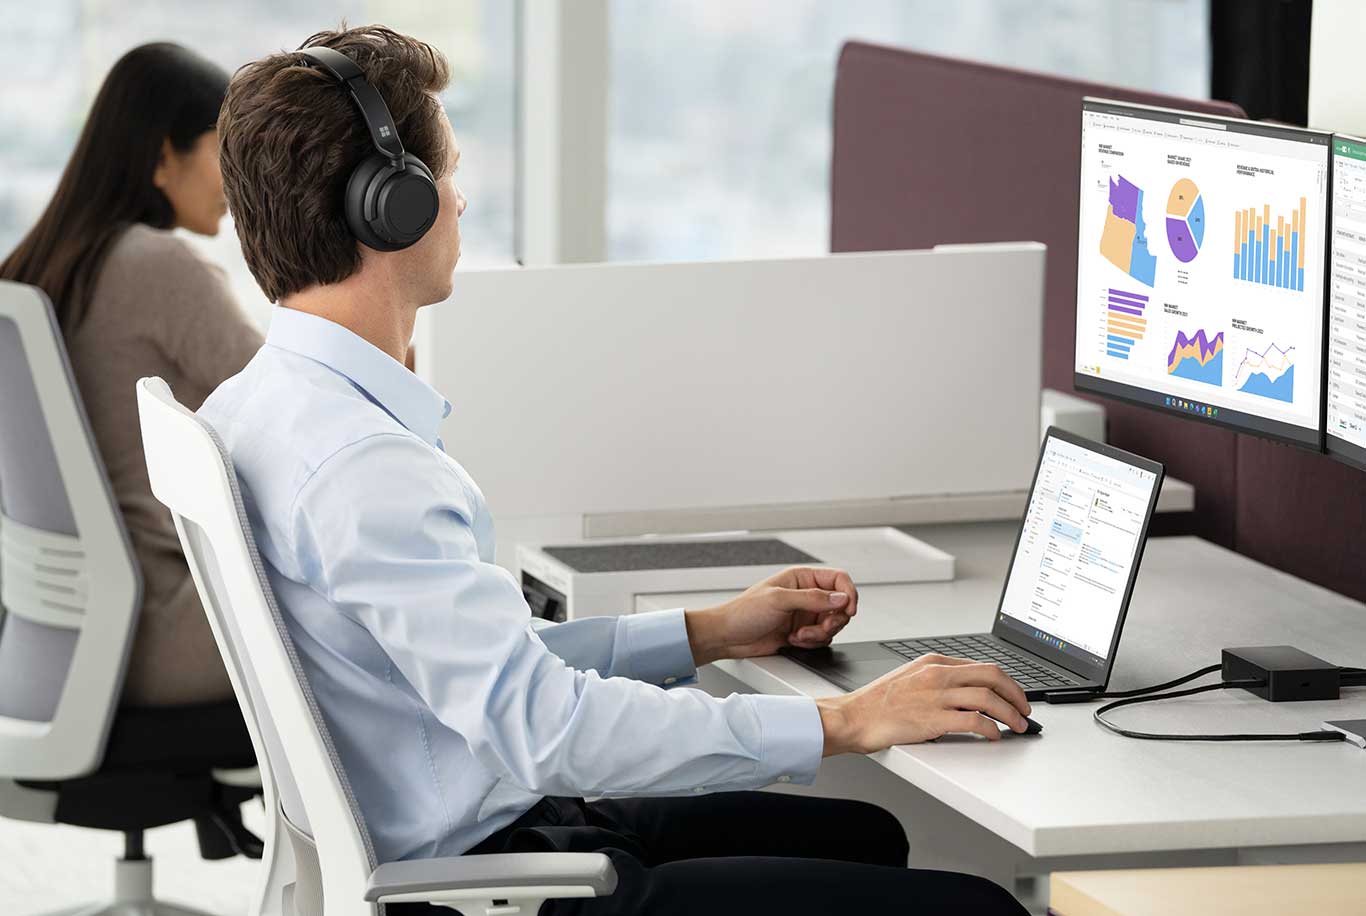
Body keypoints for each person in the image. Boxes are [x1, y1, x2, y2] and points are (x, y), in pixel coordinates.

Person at [204, 25, 1031, 914]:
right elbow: (545, 726)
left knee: (869, 837)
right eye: (445, 176)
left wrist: (706, 632)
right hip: (489, 880)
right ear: (391, 205)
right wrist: (846, 720)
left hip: (476, 831)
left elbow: (488, 672)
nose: (459, 203)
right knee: (972, 905)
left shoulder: (263, 407)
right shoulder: (364, 467)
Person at [0, 44, 265, 706]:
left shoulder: (44, 269)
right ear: (162, 156)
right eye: (220, 150)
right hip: (159, 636)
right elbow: (296, 408)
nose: (234, 177)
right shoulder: (156, 267)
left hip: (64, 645)